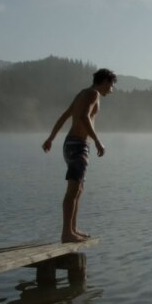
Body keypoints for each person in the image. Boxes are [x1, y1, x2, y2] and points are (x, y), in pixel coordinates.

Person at [42, 68, 116, 243]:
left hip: (72, 144)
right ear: (105, 81)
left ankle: (72, 229)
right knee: (73, 189)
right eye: (111, 86)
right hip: (77, 144)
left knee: (78, 189)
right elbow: (83, 116)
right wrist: (97, 140)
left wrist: (51, 138)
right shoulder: (93, 94)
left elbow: (65, 116)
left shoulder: (82, 93)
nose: (111, 90)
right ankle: (67, 233)